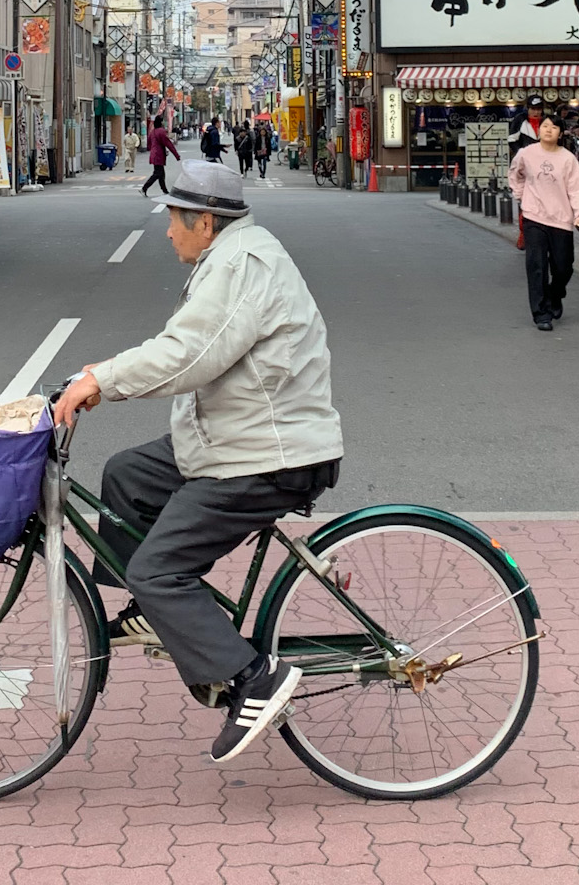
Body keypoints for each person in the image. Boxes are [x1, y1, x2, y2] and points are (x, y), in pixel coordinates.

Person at [52, 161, 342, 766]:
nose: (167, 232)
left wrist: (101, 381)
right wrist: (102, 376)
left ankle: (253, 678)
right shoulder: (229, 255)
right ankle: (156, 613)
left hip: (266, 454)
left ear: (205, 222)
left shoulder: (241, 264)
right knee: (127, 476)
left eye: (175, 220)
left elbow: (189, 354)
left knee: (157, 570)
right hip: (230, 438)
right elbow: (185, 346)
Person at [507, 111, 579, 331]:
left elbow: (578, 189)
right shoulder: (527, 154)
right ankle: (541, 314)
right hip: (534, 216)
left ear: (560, 133)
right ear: (539, 130)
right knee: (536, 265)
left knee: (563, 267)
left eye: (554, 127)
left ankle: (555, 295)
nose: (548, 130)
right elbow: (515, 174)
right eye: (545, 126)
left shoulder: (567, 158)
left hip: (561, 219)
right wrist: (521, 195)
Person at [143, 117, 179, 196]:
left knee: (161, 174)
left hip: (154, 154)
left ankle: (164, 190)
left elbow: (149, 144)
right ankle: (144, 188)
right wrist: (176, 155)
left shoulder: (153, 132)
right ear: (160, 122)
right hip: (158, 155)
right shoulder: (161, 132)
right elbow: (168, 144)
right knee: (157, 173)